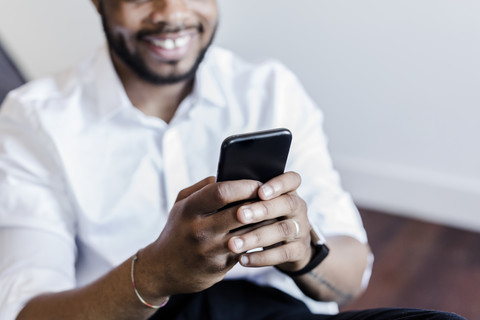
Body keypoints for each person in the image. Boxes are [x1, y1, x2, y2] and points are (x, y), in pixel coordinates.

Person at [0, 1, 465, 319]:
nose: (172, 13)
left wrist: (302, 253)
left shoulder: (269, 89)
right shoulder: (34, 119)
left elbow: (351, 272)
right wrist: (156, 273)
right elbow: (26, 312)